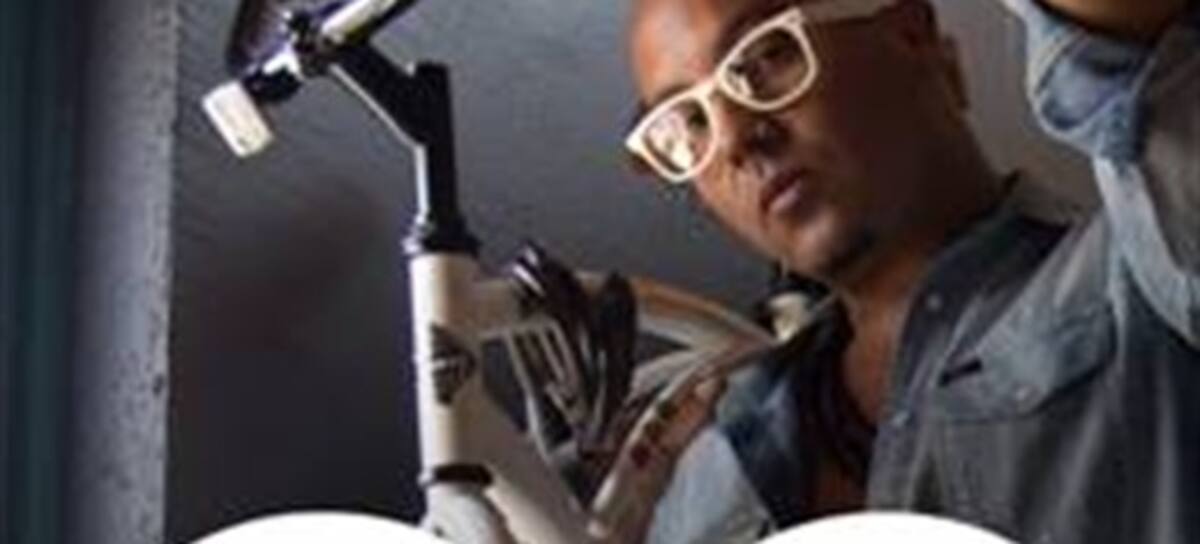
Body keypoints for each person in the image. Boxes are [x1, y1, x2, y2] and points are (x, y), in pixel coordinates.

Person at [619, 0, 1200, 541]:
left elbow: (1129, 56)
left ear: (912, 33)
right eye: (689, 124)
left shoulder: (1142, 278)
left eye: (766, 56)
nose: (735, 140)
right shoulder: (707, 474)